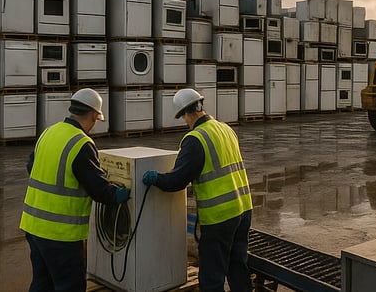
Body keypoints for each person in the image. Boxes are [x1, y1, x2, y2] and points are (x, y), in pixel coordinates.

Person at [142, 88, 253, 292]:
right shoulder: (225, 129)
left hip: (219, 217)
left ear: (185, 114)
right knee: (238, 266)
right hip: (244, 209)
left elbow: (177, 180)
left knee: (212, 276)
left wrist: (156, 178)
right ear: (201, 106)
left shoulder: (195, 139)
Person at [20, 88, 131, 292]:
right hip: (60, 234)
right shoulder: (81, 143)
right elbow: (98, 189)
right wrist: (117, 194)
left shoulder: (49, 132)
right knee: (69, 286)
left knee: (42, 284)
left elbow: (31, 167)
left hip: (33, 226)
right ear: (93, 115)